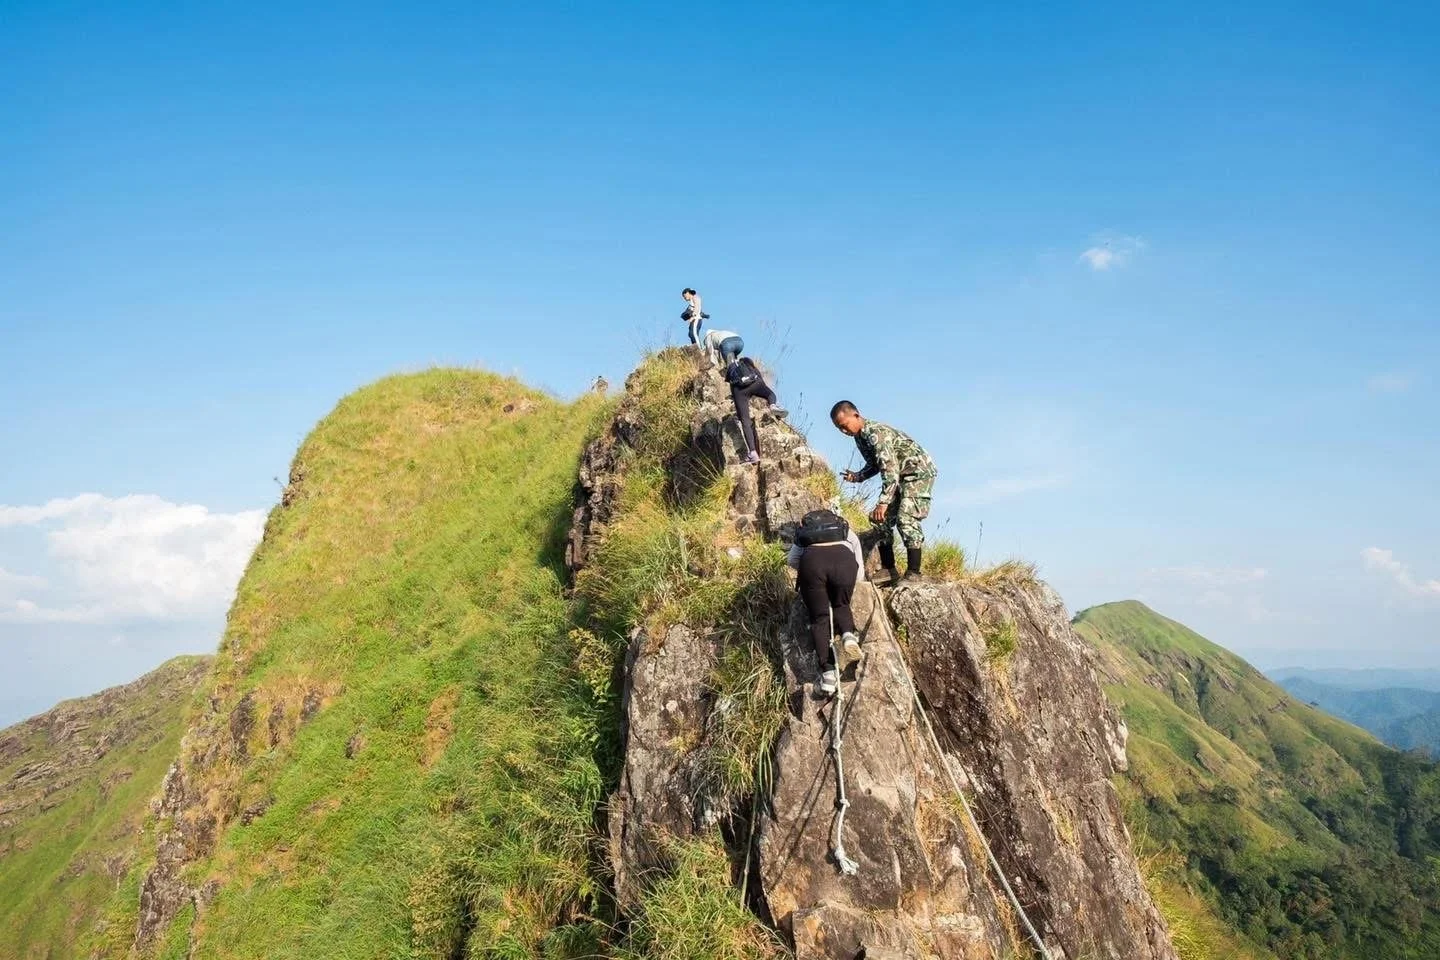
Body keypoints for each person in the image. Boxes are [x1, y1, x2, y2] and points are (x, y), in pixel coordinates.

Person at [832, 401, 937, 582]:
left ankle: (914, 572)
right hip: (900, 477)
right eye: (839, 429)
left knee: (906, 518)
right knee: (880, 520)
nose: (844, 431)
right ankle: (889, 570)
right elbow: (875, 464)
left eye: (844, 425)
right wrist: (858, 476)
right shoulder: (860, 437)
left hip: (918, 474)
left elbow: (890, 469)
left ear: (856, 415)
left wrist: (883, 502)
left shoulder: (876, 434)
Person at [787, 509, 864, 695]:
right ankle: (848, 635)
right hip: (845, 561)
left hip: (812, 563)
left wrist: (809, 575)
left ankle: (828, 675)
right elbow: (859, 566)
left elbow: (792, 560)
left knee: (819, 618)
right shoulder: (845, 529)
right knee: (841, 604)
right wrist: (852, 581)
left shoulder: (806, 532)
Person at [725, 354, 785, 465]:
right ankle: (772, 406)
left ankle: (753, 454)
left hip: (739, 390)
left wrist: (737, 402)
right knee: (770, 394)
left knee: (745, 421)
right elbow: (761, 380)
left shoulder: (732, 368)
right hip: (755, 382)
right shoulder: (749, 364)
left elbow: (732, 385)